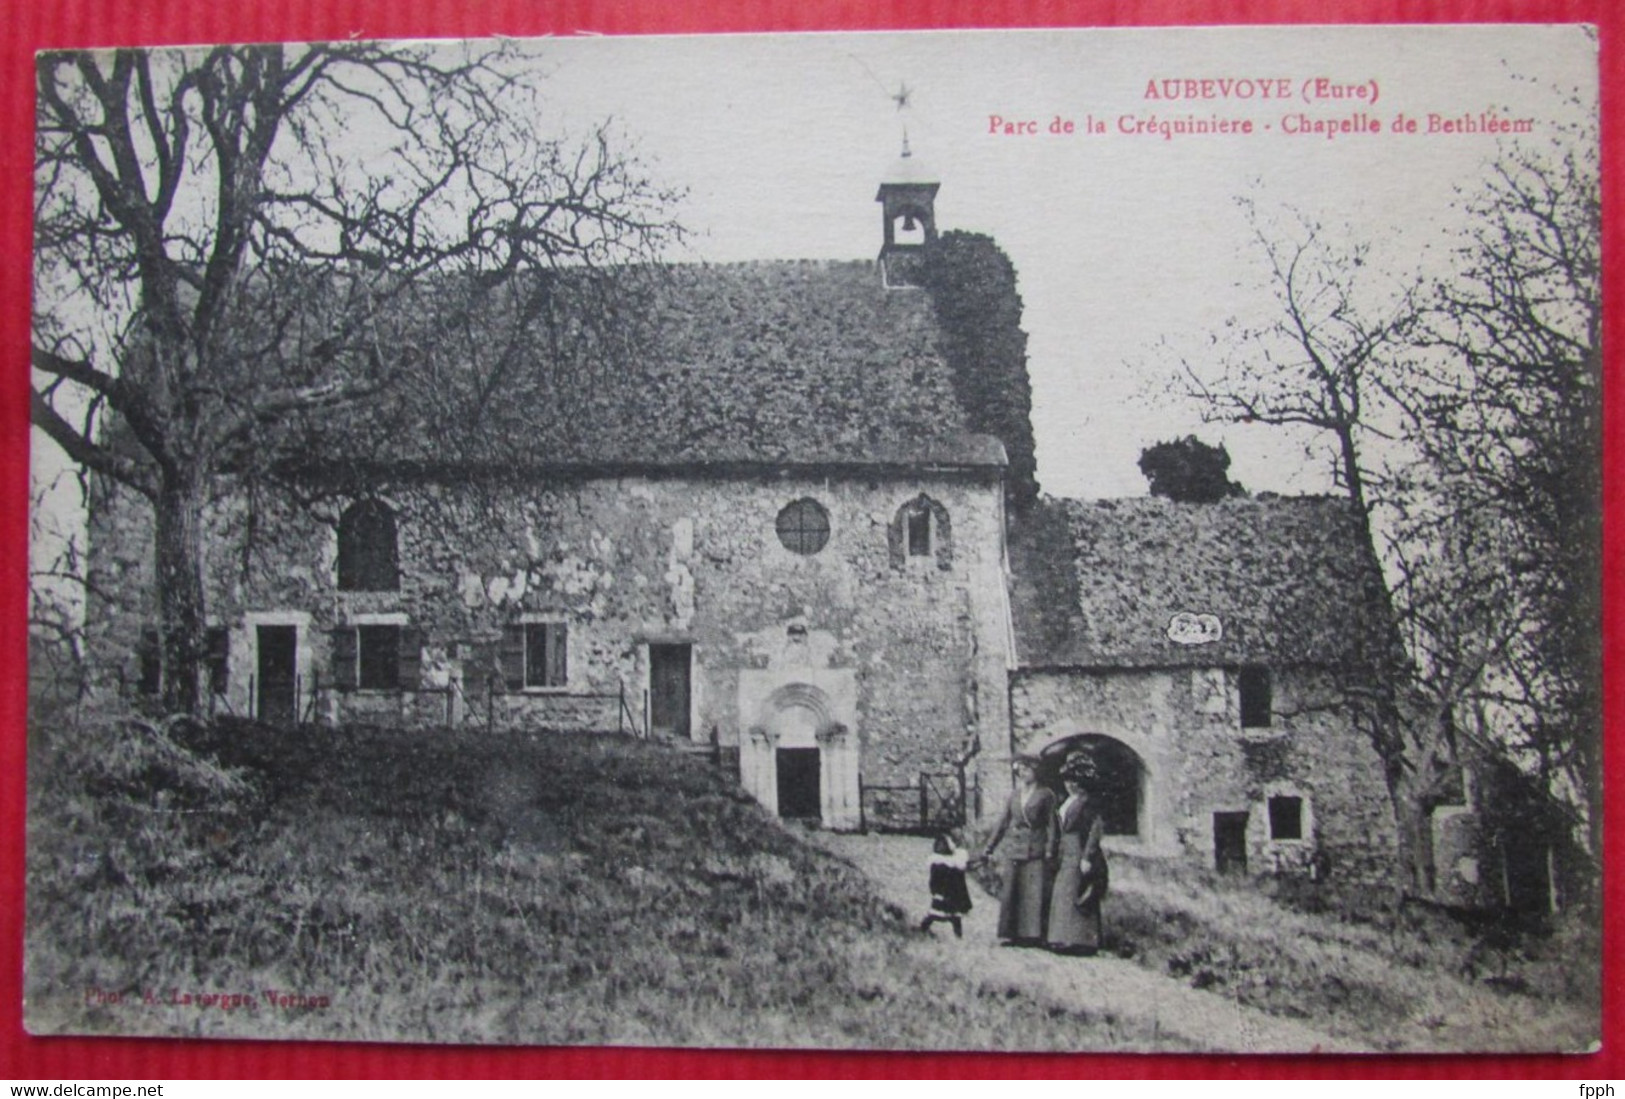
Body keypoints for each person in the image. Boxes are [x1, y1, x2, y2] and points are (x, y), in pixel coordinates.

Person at [979, 754, 1057, 947]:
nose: (1022, 773)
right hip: (1014, 848)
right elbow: (1003, 822)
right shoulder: (1014, 794)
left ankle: (1033, 936)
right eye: (1019, 769)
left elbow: (1053, 825)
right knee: (1013, 890)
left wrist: (1049, 849)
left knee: (1034, 892)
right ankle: (1011, 934)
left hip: (1035, 848)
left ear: (1036, 771)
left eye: (1026, 769)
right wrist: (989, 847)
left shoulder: (1046, 795)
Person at [1046, 754, 1108, 955]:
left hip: (1079, 849)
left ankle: (1082, 940)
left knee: (1077, 889)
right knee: (1063, 889)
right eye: (1067, 780)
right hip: (1066, 849)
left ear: (1082, 782)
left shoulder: (1087, 802)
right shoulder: (1066, 802)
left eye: (1074, 781)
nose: (1069, 785)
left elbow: (1095, 830)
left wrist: (1087, 857)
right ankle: (1060, 936)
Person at [918, 833, 973, 938]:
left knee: (953, 917)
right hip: (943, 894)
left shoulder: (955, 861)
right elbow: (934, 881)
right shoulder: (938, 862)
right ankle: (923, 928)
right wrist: (935, 891)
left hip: (951, 896)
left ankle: (958, 936)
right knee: (936, 914)